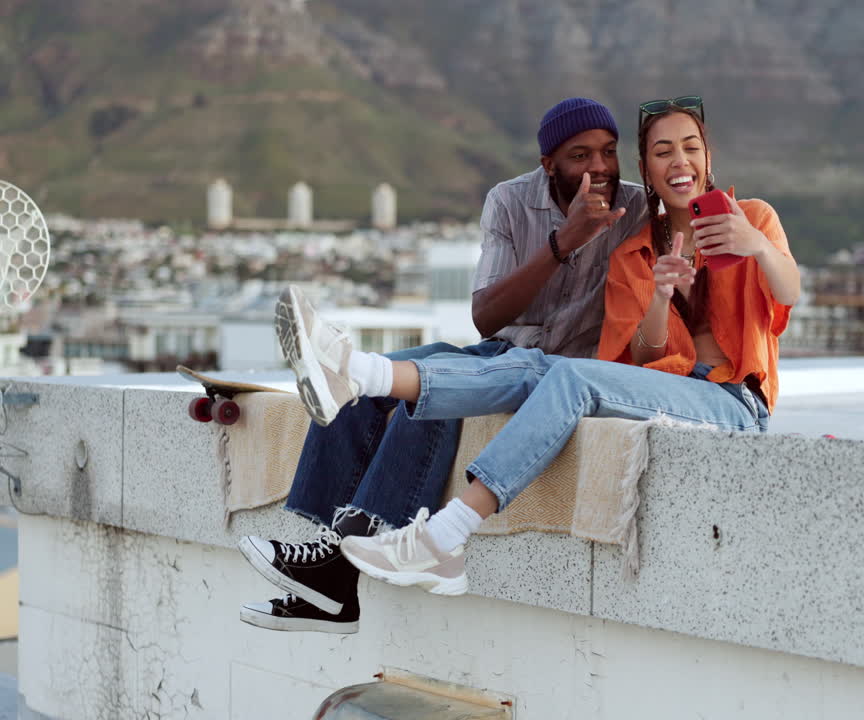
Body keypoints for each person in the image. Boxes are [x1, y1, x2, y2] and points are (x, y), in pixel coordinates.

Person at [272, 95, 800, 596]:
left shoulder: (752, 217)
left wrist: (756, 246)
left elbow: (788, 293)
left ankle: (438, 531)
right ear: (647, 168)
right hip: (665, 391)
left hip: (734, 400)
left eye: (690, 147)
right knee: (533, 367)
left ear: (709, 157)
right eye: (663, 152)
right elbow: (645, 359)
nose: (679, 160)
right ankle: (359, 380)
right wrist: (660, 297)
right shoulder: (636, 247)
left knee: (565, 375)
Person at [237, 97, 649, 634]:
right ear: (549, 164)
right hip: (502, 353)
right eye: (580, 155)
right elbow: (486, 317)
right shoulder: (510, 201)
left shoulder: (637, 208)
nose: (600, 167)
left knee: (429, 391)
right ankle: (328, 562)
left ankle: (337, 573)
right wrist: (562, 244)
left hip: (565, 378)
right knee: (375, 384)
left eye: (609, 152)